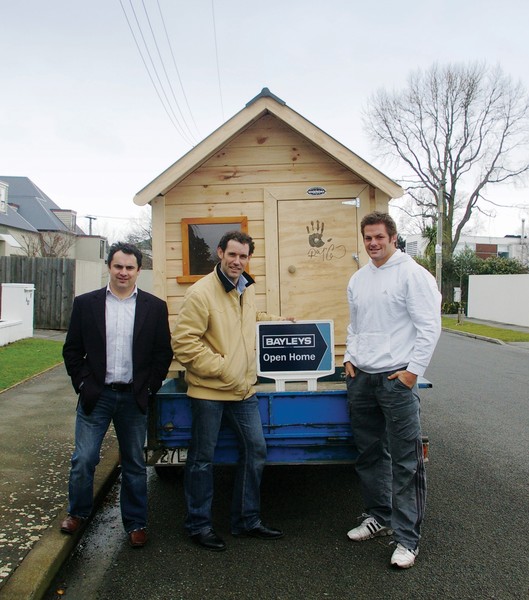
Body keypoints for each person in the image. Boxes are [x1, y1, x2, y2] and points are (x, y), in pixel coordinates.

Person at [172, 231, 286, 552]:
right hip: (209, 392)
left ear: (249, 258)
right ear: (220, 253)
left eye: (244, 256)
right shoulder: (200, 294)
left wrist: (278, 321)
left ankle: (246, 520)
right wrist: (224, 368)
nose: (238, 261)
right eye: (232, 255)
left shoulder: (244, 288)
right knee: (201, 460)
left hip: (243, 391)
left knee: (256, 450)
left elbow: (249, 321)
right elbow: (183, 343)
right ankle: (198, 525)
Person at [344, 212, 441, 569]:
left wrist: (413, 373)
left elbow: (430, 327)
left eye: (379, 238)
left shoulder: (413, 275)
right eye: (368, 238)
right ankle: (379, 517)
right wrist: (350, 358)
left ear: (393, 237)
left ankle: (407, 539)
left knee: (406, 461)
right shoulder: (358, 278)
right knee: (369, 454)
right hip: (363, 380)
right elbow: (355, 325)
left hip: (395, 382)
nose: (373, 244)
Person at [61, 242, 173, 548]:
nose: (123, 272)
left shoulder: (154, 307)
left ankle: (136, 523)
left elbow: (163, 354)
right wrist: (83, 384)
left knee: (135, 463)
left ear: (139, 271)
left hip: (133, 397)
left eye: (130, 267)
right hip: (97, 395)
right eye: (118, 266)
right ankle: (78, 512)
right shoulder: (86, 304)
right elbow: (72, 351)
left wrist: (150, 385)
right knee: (84, 459)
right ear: (109, 267)